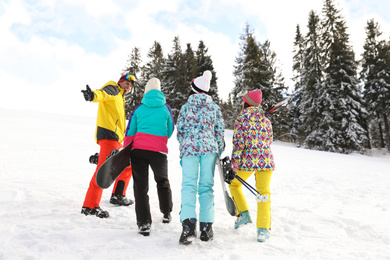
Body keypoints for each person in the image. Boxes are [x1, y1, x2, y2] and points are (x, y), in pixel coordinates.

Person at [176, 70, 225, 245]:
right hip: (209, 150)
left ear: (193, 89)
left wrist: (184, 146)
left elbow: (180, 130)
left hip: (190, 149)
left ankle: (189, 226)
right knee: (206, 187)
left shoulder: (186, 107)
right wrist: (219, 148)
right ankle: (206, 227)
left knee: (189, 185)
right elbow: (219, 132)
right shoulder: (214, 108)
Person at [123, 78, 174, 236]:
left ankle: (144, 224)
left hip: (138, 151)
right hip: (159, 152)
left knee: (140, 187)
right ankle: (166, 213)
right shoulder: (166, 109)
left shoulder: (139, 110)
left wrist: (126, 150)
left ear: (146, 92)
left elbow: (130, 131)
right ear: (159, 91)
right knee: (162, 181)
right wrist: (159, 139)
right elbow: (170, 130)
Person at [80, 74, 135, 218]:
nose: (129, 87)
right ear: (121, 82)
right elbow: (102, 94)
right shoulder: (113, 89)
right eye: (127, 83)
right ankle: (89, 206)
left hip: (116, 139)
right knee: (102, 171)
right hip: (109, 136)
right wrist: (92, 95)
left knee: (126, 164)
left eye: (131, 85)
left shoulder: (120, 97)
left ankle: (118, 195)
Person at [229, 90, 275, 242]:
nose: (242, 102)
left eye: (243, 100)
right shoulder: (266, 120)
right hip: (266, 161)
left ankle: (243, 213)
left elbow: (238, 143)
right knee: (263, 194)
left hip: (248, 161)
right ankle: (263, 229)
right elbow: (269, 140)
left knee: (234, 185)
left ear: (247, 102)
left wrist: (234, 161)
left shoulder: (241, 119)